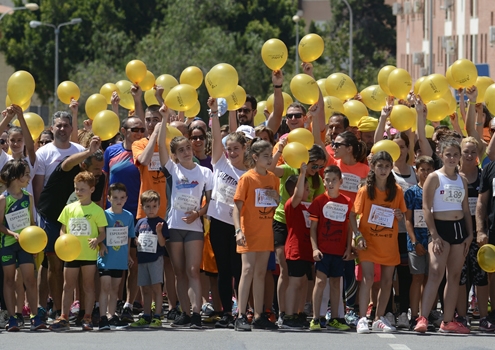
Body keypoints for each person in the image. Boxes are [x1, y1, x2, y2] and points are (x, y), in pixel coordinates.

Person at [158, 105, 213, 329]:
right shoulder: (172, 168)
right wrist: (163, 119)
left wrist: (198, 213)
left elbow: (210, 202)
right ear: (176, 155)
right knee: (179, 272)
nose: (187, 152)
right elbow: (161, 145)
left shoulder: (205, 173)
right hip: (174, 226)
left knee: (193, 270)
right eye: (181, 151)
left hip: (194, 227)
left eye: (188, 148)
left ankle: (197, 313)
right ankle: (184, 312)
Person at [414, 139, 473, 334]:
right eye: (448, 154)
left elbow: (465, 210)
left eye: (456, 155)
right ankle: (422, 318)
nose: (452, 158)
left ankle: (448, 321)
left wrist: (470, 234)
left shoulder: (462, 180)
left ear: (459, 157)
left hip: (459, 230)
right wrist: (434, 235)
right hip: (439, 228)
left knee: (454, 276)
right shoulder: (434, 177)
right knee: (436, 273)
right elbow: (426, 207)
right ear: (440, 154)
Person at [33, 111, 86, 318]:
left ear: (72, 128)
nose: (62, 129)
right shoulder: (44, 153)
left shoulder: (80, 150)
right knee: (54, 266)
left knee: (79, 265)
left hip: (77, 218)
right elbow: (39, 190)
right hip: (51, 217)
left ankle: (82, 311)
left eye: (66, 125)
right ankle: (56, 309)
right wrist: (39, 219)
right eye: (58, 125)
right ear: (52, 128)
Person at [269, 141, 326, 325]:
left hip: (303, 227)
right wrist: (278, 151)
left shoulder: (316, 180)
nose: (316, 170)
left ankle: (299, 311)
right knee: (285, 270)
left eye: (320, 167)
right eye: (314, 165)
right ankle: (284, 312)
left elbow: (319, 202)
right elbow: (270, 170)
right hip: (282, 222)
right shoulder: (289, 169)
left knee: (302, 275)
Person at [350, 151, 407, 334]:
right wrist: (357, 235)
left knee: (387, 280)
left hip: (389, 243)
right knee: (367, 279)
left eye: (386, 166)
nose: (383, 170)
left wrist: (399, 215)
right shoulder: (365, 190)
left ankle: (379, 318)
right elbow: (352, 215)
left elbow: (402, 213)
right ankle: (362, 319)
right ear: (373, 167)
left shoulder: (397, 190)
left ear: (391, 168)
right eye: (379, 166)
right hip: (368, 242)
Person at [206, 98, 247, 328]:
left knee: (239, 270)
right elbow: (214, 134)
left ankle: (240, 312)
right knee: (223, 270)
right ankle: (224, 314)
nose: (231, 152)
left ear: (244, 149)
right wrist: (213, 112)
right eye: (229, 148)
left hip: (239, 227)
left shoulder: (249, 173)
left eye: (236, 148)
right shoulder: (219, 162)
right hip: (219, 223)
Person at [50, 171, 108, 331]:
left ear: (91, 189)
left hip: (88, 253)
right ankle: (64, 317)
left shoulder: (97, 211)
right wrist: (64, 241)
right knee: (67, 285)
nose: (78, 192)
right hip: (71, 254)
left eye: (82, 189)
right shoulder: (69, 209)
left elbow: (102, 232)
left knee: (88, 286)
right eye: (76, 189)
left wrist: (97, 240)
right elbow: (63, 230)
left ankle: (87, 317)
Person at [233, 138, 280, 331]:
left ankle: (260, 314)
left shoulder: (273, 179)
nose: (269, 159)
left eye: (270, 155)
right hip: (249, 231)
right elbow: (237, 207)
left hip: (265, 231)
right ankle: (241, 315)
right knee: (247, 270)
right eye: (265, 156)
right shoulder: (247, 178)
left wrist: (275, 199)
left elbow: (274, 203)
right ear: (255, 157)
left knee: (261, 272)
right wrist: (238, 230)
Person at [103, 117, 144, 321]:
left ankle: (128, 304)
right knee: (114, 259)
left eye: (141, 129)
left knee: (133, 262)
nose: (138, 132)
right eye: (134, 129)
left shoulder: (144, 151)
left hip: (136, 214)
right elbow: (104, 182)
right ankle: (113, 305)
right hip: (113, 215)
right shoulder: (111, 151)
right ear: (123, 130)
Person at [0, 159, 45, 331]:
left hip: (26, 246)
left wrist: (35, 244)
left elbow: (32, 222)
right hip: (8, 245)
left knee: (30, 280)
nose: (29, 177)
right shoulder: (3, 199)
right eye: (25, 174)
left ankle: (35, 316)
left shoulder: (28, 197)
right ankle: (12, 318)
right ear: (15, 177)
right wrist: (12, 234)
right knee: (9, 280)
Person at [309, 165, 352, 331]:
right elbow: (313, 228)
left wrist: (349, 248)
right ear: (324, 182)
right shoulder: (319, 201)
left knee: (336, 284)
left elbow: (349, 229)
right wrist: (314, 248)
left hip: (339, 251)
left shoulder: (347, 202)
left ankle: (335, 318)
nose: (331, 183)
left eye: (334, 180)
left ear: (340, 181)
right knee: (320, 282)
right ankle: (315, 318)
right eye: (327, 180)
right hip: (323, 251)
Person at [456, 136, 492, 330]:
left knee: (481, 275)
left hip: (478, 234)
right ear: (460, 153)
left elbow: (484, 205)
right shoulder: (453, 176)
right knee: (460, 276)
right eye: (466, 151)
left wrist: (481, 231)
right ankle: (462, 316)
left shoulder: (482, 175)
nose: (469, 155)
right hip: (457, 234)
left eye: (473, 152)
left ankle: (484, 317)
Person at [97, 183, 136, 330]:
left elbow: (128, 237)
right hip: (106, 258)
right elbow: (99, 233)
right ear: (108, 198)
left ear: (126, 199)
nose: (118, 200)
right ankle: (102, 317)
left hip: (119, 259)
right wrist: (101, 245)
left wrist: (127, 256)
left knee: (115, 288)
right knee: (104, 287)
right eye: (115, 197)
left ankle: (111, 315)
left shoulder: (129, 216)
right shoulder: (104, 215)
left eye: (121, 198)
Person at [279, 169, 313, 329]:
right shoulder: (292, 205)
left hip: (307, 251)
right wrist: (303, 172)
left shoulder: (308, 207)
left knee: (303, 282)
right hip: (295, 250)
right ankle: (288, 315)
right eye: (306, 188)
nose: (309, 191)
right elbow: (298, 195)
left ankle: (299, 313)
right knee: (294, 282)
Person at [404, 156, 434, 329]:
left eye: (429, 169)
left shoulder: (437, 191)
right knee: (417, 277)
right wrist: (415, 242)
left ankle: (426, 315)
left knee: (430, 279)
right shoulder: (411, 192)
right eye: (422, 169)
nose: (425, 172)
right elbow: (408, 220)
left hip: (433, 240)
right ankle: (414, 315)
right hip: (415, 240)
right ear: (416, 171)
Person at [130, 190, 167, 328]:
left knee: (156, 287)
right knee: (144, 288)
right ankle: (146, 315)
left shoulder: (161, 223)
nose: (151, 209)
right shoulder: (140, 222)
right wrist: (136, 241)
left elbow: (163, 243)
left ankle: (157, 316)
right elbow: (135, 237)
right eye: (147, 206)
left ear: (158, 206)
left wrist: (158, 232)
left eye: (154, 206)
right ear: (142, 206)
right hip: (142, 259)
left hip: (155, 259)